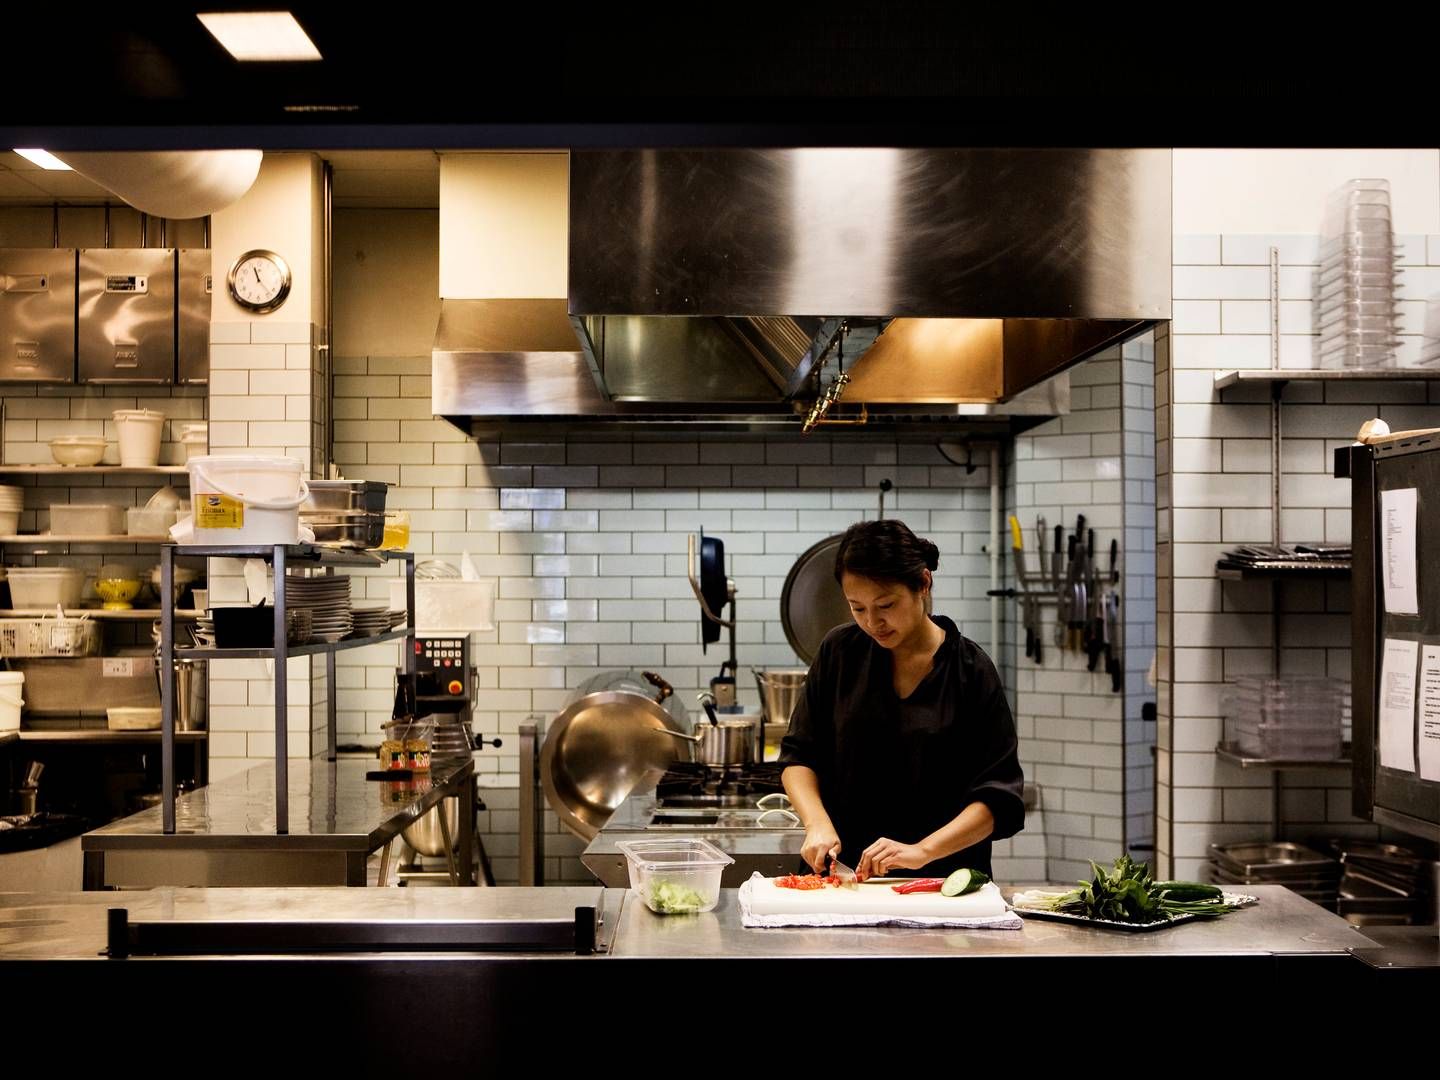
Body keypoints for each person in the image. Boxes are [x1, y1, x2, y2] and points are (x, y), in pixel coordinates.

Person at [779, 519, 1025, 881]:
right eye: (857, 608)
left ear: (923, 583)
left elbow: (999, 798)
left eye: (886, 605)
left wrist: (922, 851)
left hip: (939, 884)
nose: (872, 622)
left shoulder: (971, 670)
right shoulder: (839, 652)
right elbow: (799, 755)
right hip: (842, 879)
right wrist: (816, 824)